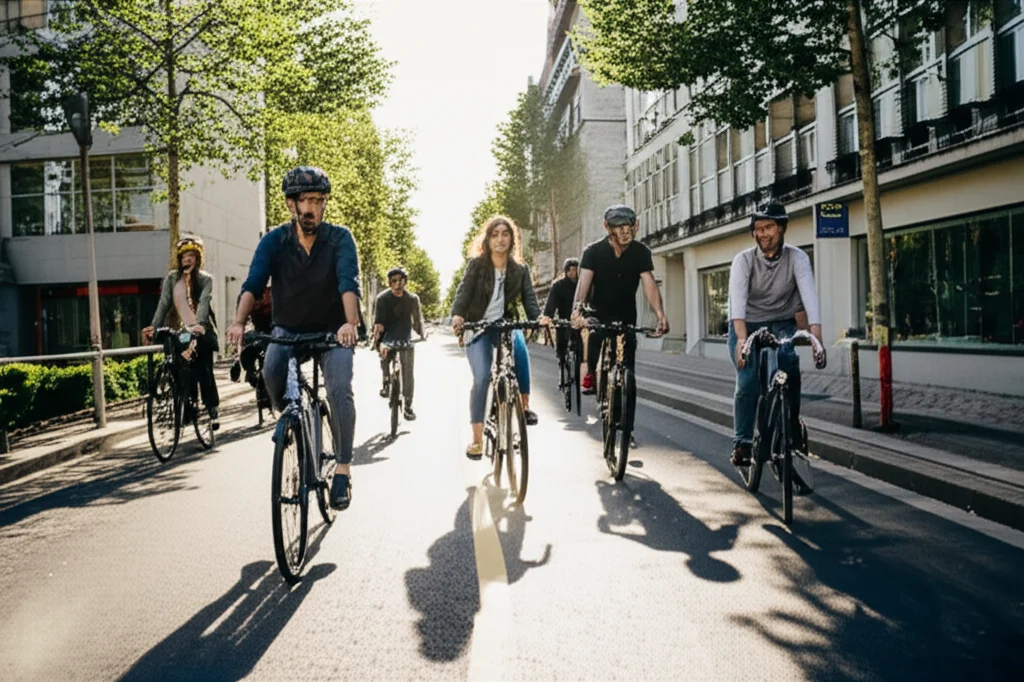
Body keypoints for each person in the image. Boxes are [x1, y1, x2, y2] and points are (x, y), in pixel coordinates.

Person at [226, 166, 362, 511]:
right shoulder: (275, 241)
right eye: (305, 200)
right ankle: (291, 414)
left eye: (318, 201)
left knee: (340, 388)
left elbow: (348, 283)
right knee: (271, 370)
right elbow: (253, 284)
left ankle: (343, 468)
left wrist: (350, 323)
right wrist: (239, 323)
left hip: (333, 331)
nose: (312, 208)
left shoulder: (340, 238)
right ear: (291, 205)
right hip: (287, 330)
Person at [726, 201, 826, 467]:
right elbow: (737, 305)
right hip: (746, 325)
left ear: (781, 228)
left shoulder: (798, 258)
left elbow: (809, 299)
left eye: (769, 227)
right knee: (747, 382)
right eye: (758, 229)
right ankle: (743, 442)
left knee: (788, 364)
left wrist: (817, 339)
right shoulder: (743, 261)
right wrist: (741, 341)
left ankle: (791, 424)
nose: (763, 234)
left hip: (782, 323)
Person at [571, 205, 668, 442]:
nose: (625, 232)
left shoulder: (641, 252)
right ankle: (594, 377)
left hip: (626, 316)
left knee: (628, 374)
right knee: (594, 340)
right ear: (607, 228)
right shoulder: (593, 252)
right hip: (597, 313)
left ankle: (626, 428)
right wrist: (577, 311)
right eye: (619, 228)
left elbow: (648, 283)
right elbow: (583, 285)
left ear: (635, 226)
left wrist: (660, 314)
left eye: (629, 227)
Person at [450, 215, 541, 459]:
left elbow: (530, 301)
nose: (500, 239)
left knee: (520, 351)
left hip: (505, 326)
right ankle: (477, 440)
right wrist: (458, 316)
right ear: (488, 240)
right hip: (478, 326)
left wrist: (539, 319)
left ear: (512, 239)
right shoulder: (476, 266)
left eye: (505, 234)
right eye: (495, 234)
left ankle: (524, 408)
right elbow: (463, 294)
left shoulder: (519, 270)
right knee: (481, 377)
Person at [143, 235, 221, 430]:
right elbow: (163, 304)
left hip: (203, 331)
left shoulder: (205, 279)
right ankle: (187, 406)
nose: (187, 260)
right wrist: (154, 326)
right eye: (184, 256)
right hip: (185, 331)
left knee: (203, 369)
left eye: (192, 256)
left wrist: (199, 325)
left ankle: (212, 408)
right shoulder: (172, 279)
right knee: (179, 365)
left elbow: (204, 302)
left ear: (197, 259)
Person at [373, 266, 426, 421]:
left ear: (405, 282)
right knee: (383, 355)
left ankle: (408, 406)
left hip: (405, 336)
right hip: (386, 334)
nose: (397, 284)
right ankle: (386, 381)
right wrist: (378, 335)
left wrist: (421, 334)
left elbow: (417, 321)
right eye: (394, 281)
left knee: (408, 371)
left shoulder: (412, 299)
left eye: (400, 280)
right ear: (389, 283)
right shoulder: (382, 298)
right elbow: (378, 321)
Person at [539, 258, 579, 365]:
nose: (572, 273)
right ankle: (562, 364)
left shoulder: (582, 285)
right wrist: (548, 316)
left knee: (580, 349)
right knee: (562, 346)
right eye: (569, 270)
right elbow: (551, 303)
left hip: (579, 320)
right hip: (563, 319)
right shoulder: (558, 285)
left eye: (574, 270)